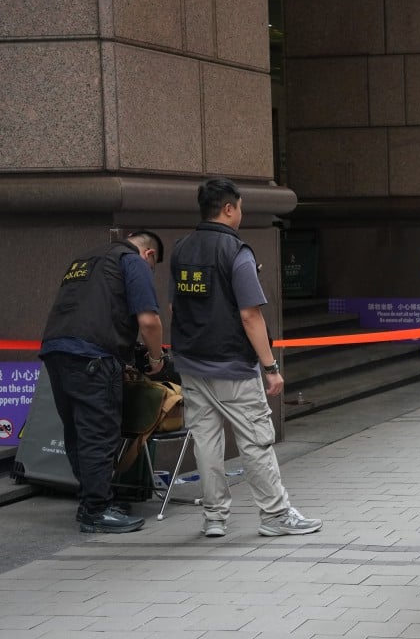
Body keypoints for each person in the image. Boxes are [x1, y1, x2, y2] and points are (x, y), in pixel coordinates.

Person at [170, 178, 322, 539]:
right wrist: (270, 367)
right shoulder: (236, 251)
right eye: (239, 207)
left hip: (191, 363)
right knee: (255, 439)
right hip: (232, 364)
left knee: (206, 442)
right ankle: (275, 514)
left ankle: (214, 517)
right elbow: (250, 314)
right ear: (228, 208)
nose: (241, 213)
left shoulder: (181, 249)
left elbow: (177, 305)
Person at [40, 230, 167, 533]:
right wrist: (156, 360)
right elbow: (149, 321)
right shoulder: (132, 261)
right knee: (99, 433)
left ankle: (92, 501)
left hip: (57, 351)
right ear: (149, 255)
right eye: (153, 266)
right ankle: (96, 511)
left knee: (77, 433)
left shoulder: (84, 260)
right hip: (93, 356)